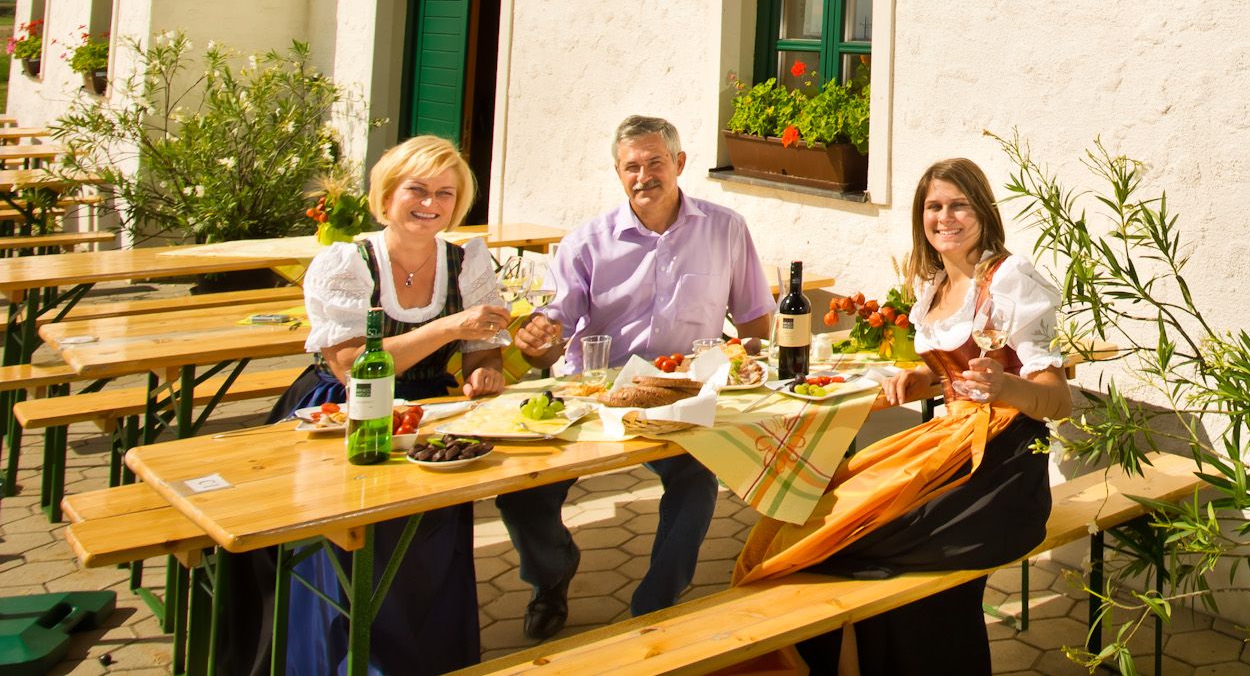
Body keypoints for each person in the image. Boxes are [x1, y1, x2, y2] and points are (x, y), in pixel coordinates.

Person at [732, 157, 1071, 676]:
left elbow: (1057, 399)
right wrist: (926, 381)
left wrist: (1006, 387)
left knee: (847, 546)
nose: (945, 217)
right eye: (934, 206)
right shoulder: (932, 285)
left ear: (983, 210)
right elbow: (962, 375)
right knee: (804, 523)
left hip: (1002, 470)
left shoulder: (1009, 280)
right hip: (950, 446)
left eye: (959, 204)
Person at [497, 115, 773, 639]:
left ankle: (655, 604)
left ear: (680, 164)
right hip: (596, 394)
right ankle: (551, 577)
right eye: (631, 167)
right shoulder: (586, 242)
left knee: (695, 485)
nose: (644, 175)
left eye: (655, 163)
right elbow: (552, 331)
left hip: (681, 394)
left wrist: (744, 363)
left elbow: (756, 321)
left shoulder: (726, 229)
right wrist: (538, 342)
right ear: (618, 173)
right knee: (521, 494)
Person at [275, 135, 515, 676]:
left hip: (430, 415)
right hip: (343, 413)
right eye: (418, 189)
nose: (431, 203)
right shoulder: (347, 262)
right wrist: (451, 326)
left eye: (446, 193)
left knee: (425, 554)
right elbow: (353, 364)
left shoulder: (467, 261)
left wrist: (484, 369)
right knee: (352, 547)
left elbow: (484, 345)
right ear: (387, 197)